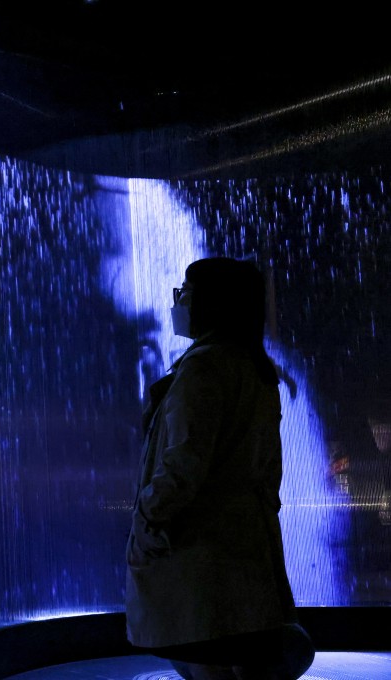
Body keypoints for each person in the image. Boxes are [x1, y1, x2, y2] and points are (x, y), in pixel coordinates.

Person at [125, 257, 316, 680]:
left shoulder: (205, 367)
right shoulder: (252, 367)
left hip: (199, 553)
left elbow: (182, 463)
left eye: (186, 294)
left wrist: (147, 520)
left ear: (211, 303)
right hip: (240, 549)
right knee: (233, 658)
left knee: (205, 656)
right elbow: (267, 469)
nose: (179, 303)